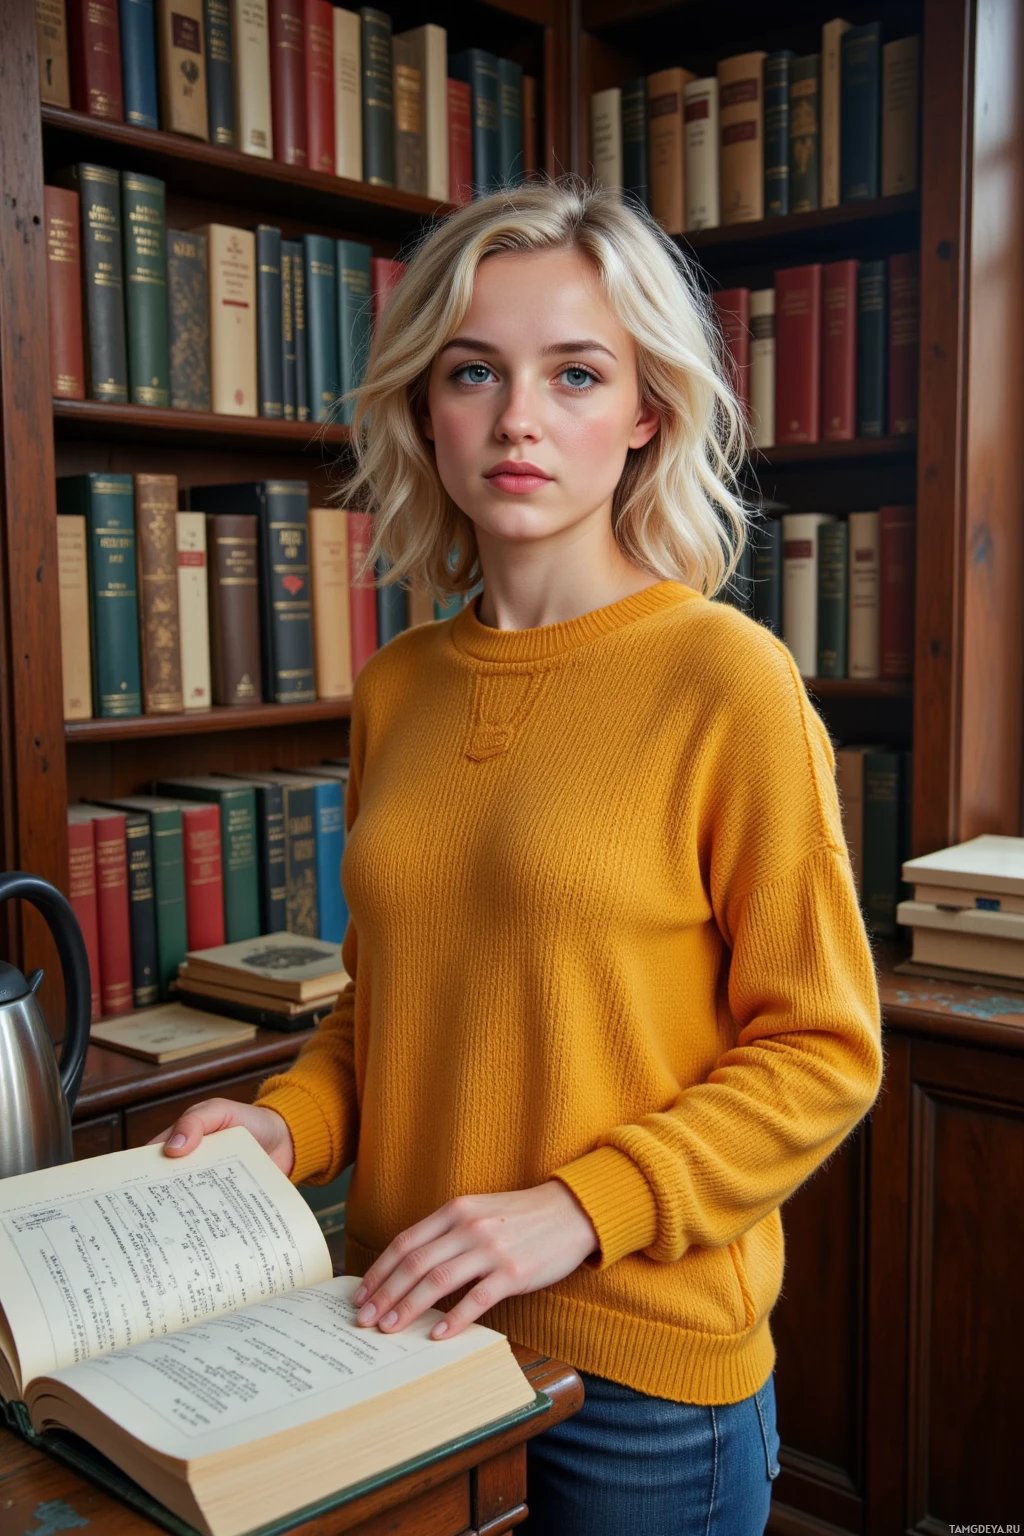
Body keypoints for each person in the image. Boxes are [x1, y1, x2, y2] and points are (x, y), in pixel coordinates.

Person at [149, 175, 884, 1535]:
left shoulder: (726, 679)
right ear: (427, 409)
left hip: (637, 1378)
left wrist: (576, 1208)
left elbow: (823, 1051)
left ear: (648, 411)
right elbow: (390, 1010)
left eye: (577, 373)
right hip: (396, 1333)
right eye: (475, 372)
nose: (519, 419)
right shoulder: (400, 686)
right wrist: (283, 1122)